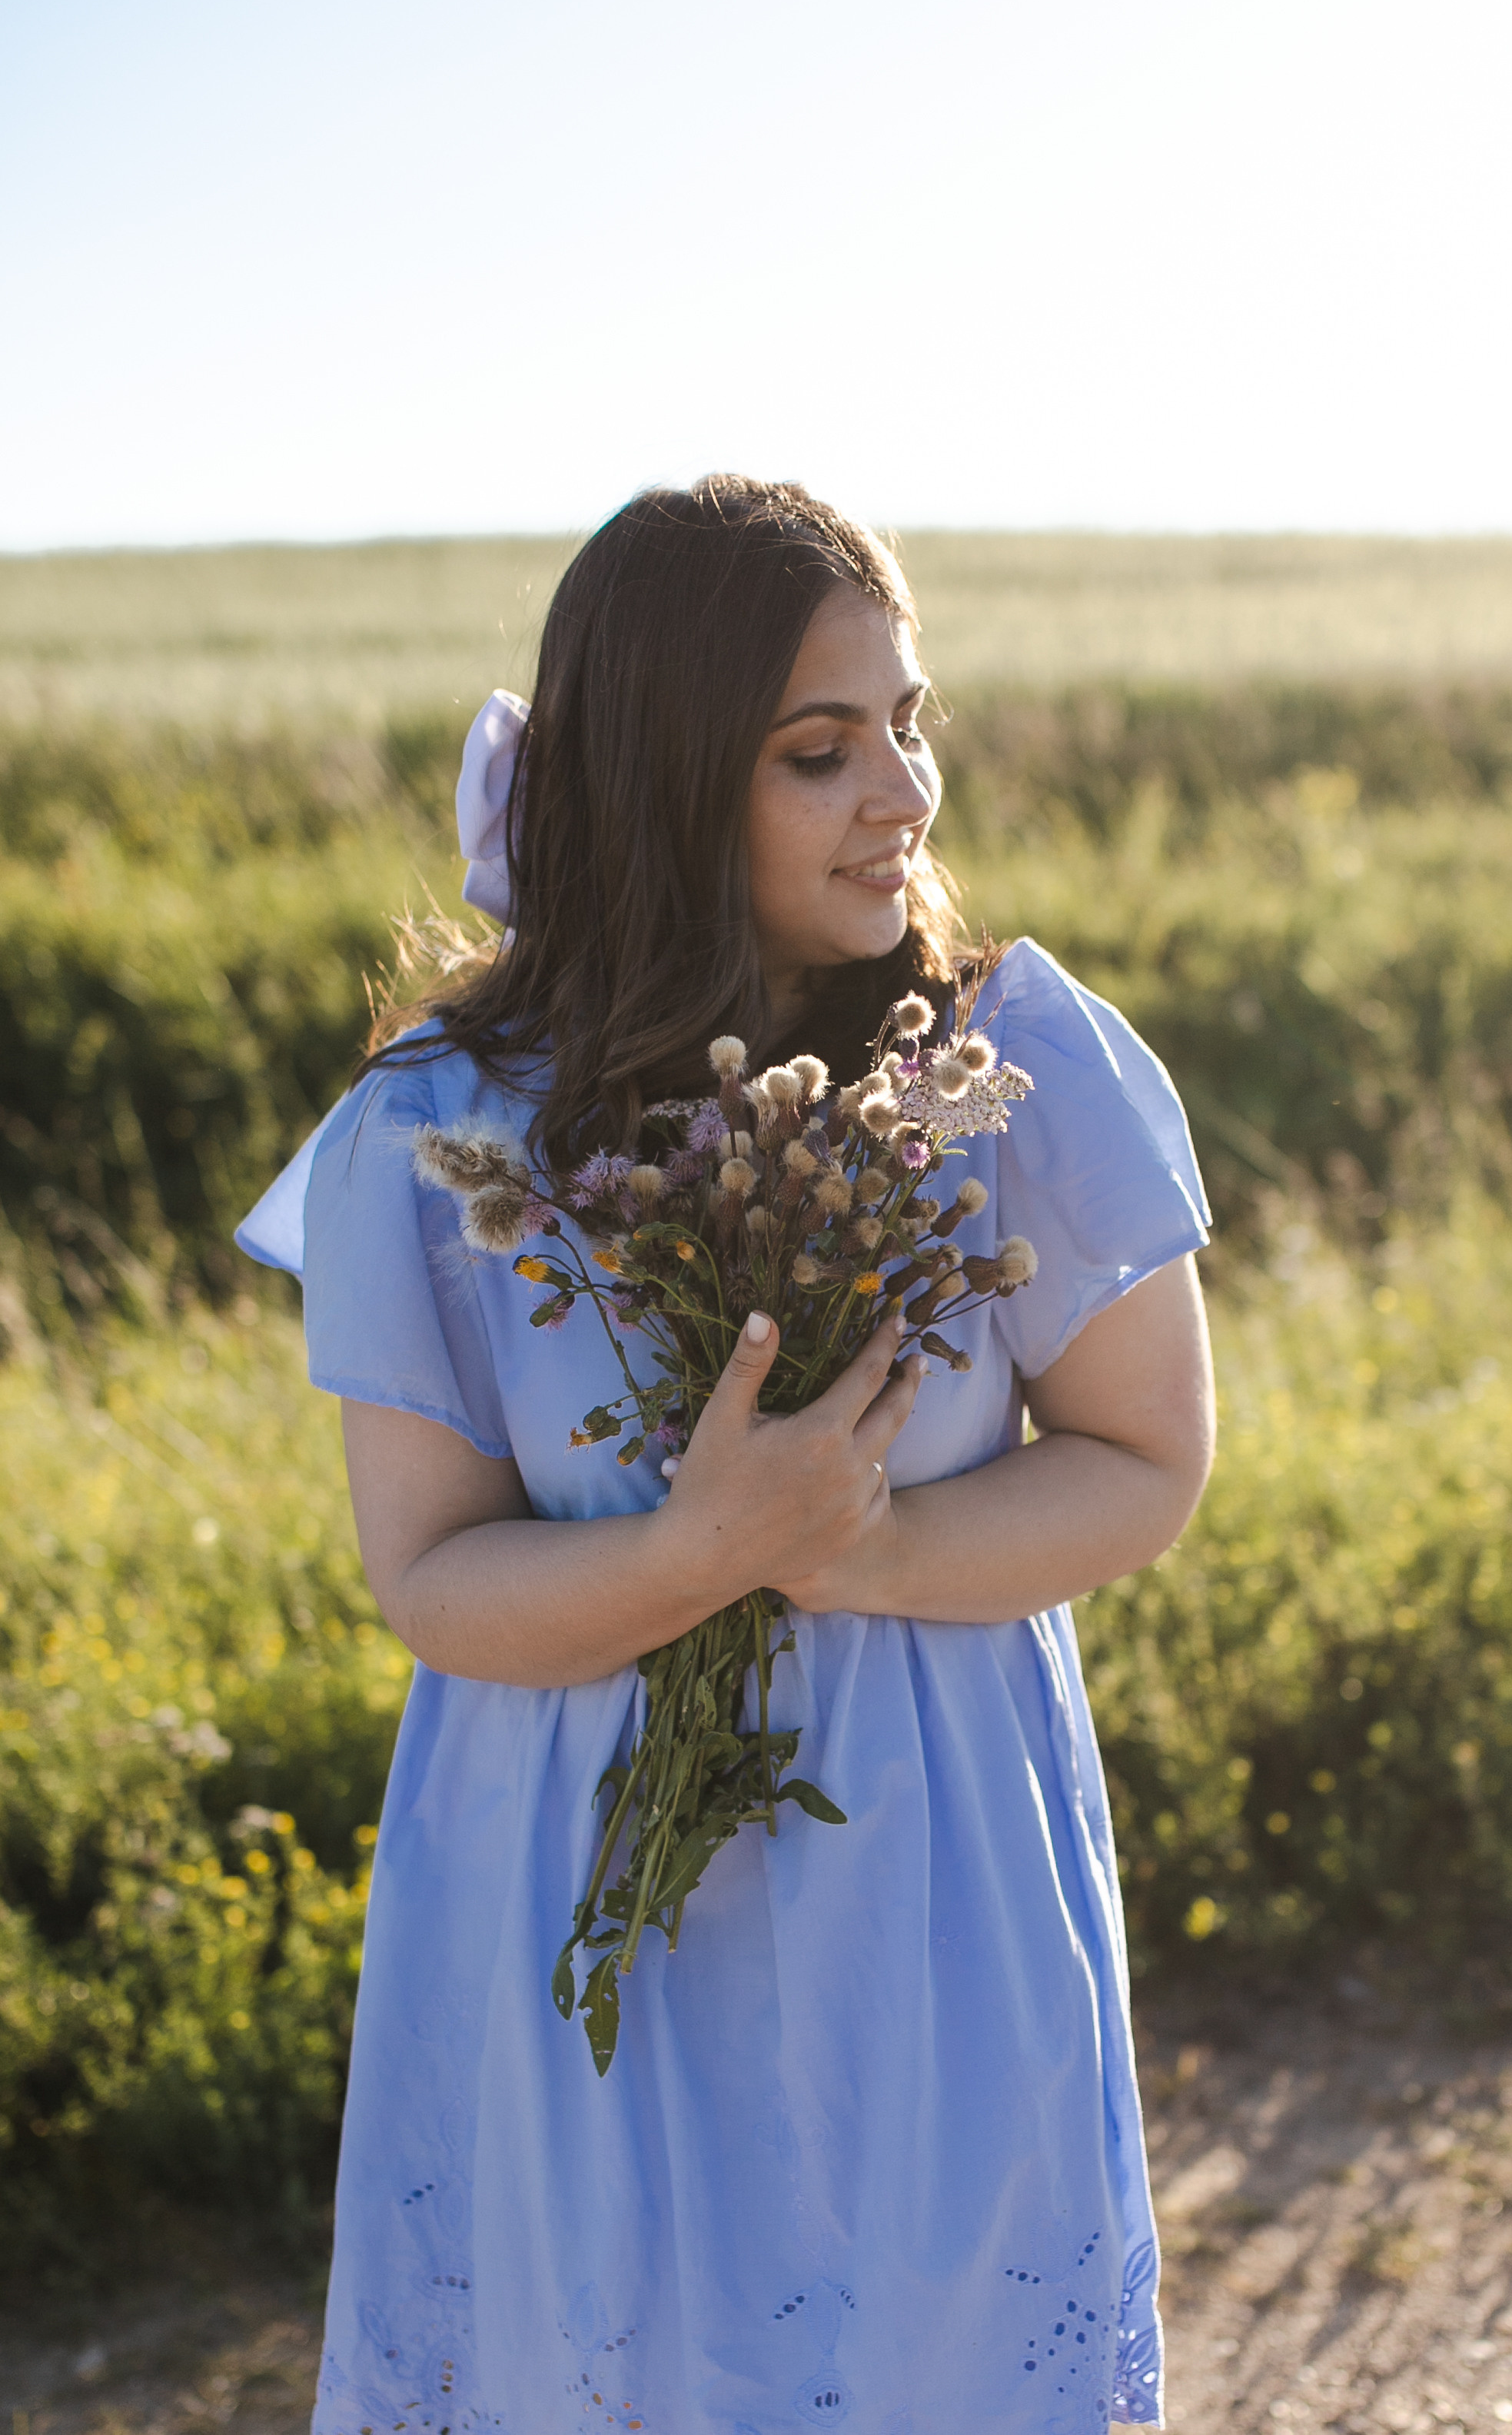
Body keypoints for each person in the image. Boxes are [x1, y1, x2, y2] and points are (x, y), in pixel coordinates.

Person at [237, 474, 1216, 2434]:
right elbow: (430, 1580)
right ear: (671, 777)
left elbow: (1145, 1460)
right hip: (573, 1902)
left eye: (909, 724)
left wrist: (850, 1554)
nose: (902, 793)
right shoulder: (446, 1138)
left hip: (925, 1899)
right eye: (818, 749)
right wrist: (700, 1547)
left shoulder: (1007, 1071)